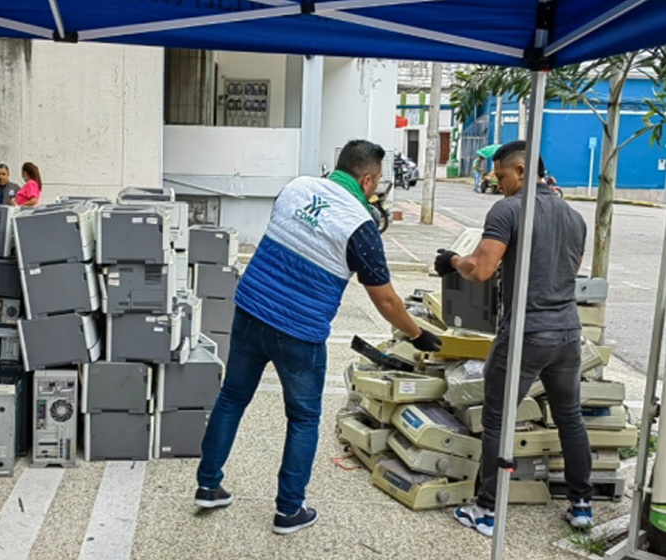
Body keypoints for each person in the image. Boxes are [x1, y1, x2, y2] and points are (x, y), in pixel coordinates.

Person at [194, 140, 443, 535]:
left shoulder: (296, 187)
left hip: (250, 309)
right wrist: (417, 335)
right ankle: (288, 510)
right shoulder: (361, 226)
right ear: (366, 179)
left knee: (231, 397)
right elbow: (386, 300)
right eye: (376, 184)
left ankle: (208, 485)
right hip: (299, 330)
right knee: (304, 418)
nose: (375, 191)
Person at [434, 140, 592, 538]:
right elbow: (568, 270)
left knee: (497, 420)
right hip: (569, 334)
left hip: (525, 333)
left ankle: (485, 510)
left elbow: (482, 268)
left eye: (502, 176)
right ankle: (582, 505)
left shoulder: (508, 210)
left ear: (521, 172)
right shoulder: (575, 217)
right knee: (570, 418)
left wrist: (452, 261)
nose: (498, 183)